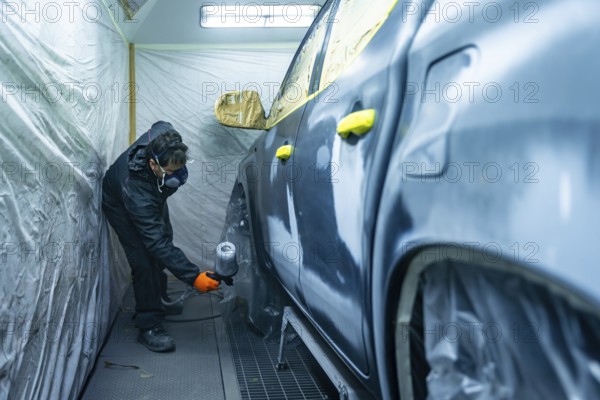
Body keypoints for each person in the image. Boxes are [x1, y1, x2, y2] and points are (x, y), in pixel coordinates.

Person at [102, 121, 220, 352]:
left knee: (164, 236)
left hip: (153, 190)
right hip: (120, 201)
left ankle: (160, 297)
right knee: (144, 260)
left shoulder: (167, 138)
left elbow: (160, 124)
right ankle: (149, 324)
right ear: (153, 163)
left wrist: (167, 175)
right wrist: (192, 276)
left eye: (180, 168)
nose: (177, 176)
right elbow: (155, 242)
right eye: (171, 172)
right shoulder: (135, 188)